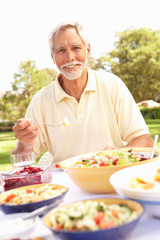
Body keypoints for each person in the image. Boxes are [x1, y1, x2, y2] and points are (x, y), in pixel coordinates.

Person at [12, 22, 153, 163]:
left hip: (109, 177)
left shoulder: (112, 85)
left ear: (88, 50)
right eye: (61, 50)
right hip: (64, 182)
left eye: (76, 48)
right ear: (52, 57)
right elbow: (21, 162)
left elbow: (145, 141)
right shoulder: (40, 100)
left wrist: (116, 155)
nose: (70, 57)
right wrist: (25, 144)